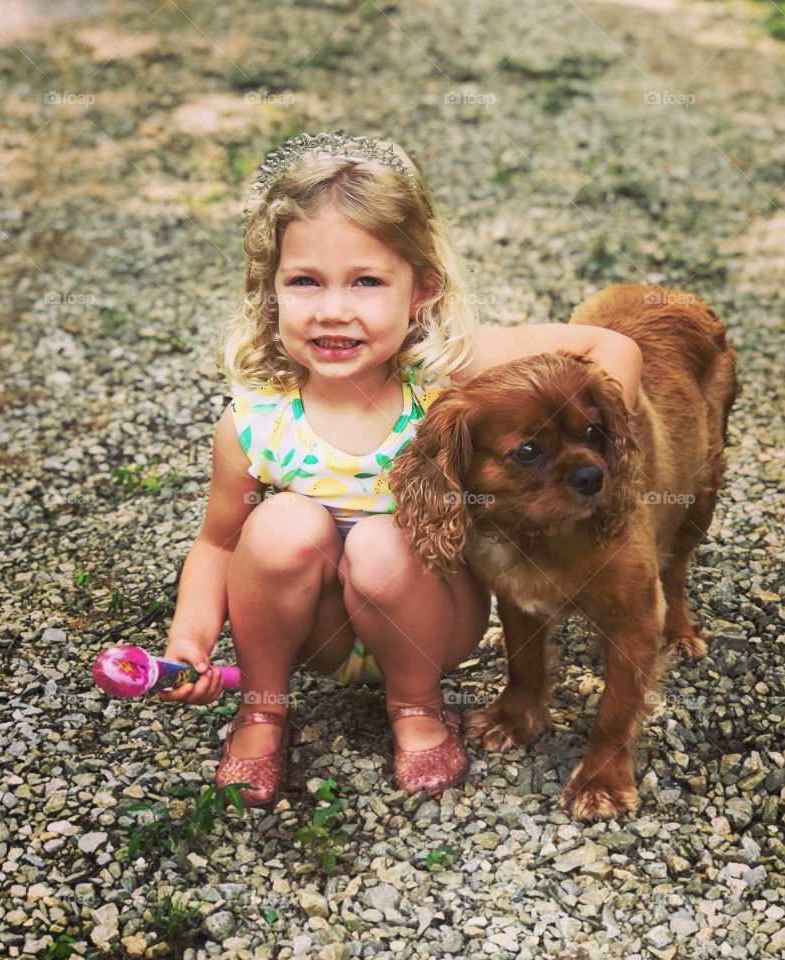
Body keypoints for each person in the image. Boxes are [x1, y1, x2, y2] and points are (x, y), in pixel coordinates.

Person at [159, 131, 642, 807]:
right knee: (278, 525)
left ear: (422, 289)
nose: (333, 309)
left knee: (386, 538)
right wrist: (189, 640)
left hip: (431, 621)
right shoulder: (254, 423)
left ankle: (415, 707)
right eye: (304, 281)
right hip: (317, 636)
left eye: (366, 281)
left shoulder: (448, 376)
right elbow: (217, 543)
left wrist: (609, 445)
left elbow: (606, 344)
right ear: (269, 291)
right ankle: (263, 710)